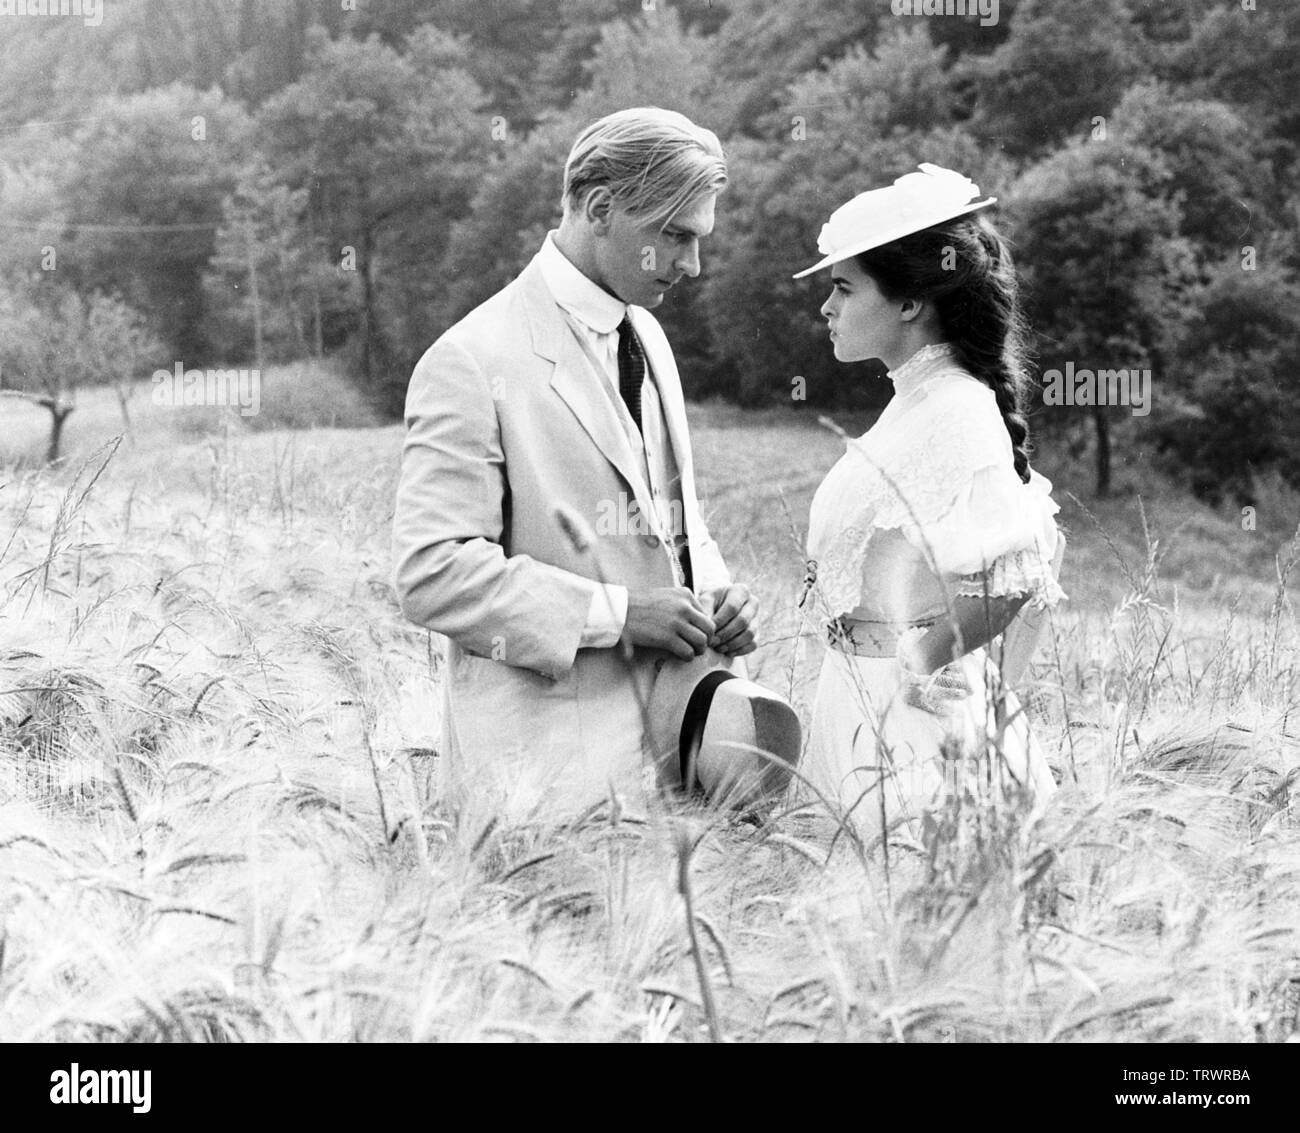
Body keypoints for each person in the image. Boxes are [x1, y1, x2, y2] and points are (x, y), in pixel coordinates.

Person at [392, 107, 758, 824]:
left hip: (679, 756)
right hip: (544, 788)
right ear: (599, 209)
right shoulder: (470, 360)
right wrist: (620, 615)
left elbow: (672, 519)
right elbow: (431, 573)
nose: (692, 265)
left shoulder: (648, 335)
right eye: (676, 237)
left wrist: (716, 592)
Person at [792, 164, 1064, 843]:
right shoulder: (914, 401)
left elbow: (1022, 568)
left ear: (910, 301)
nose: (827, 308)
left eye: (844, 287)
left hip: (910, 725)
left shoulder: (956, 410)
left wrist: (928, 656)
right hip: (855, 699)